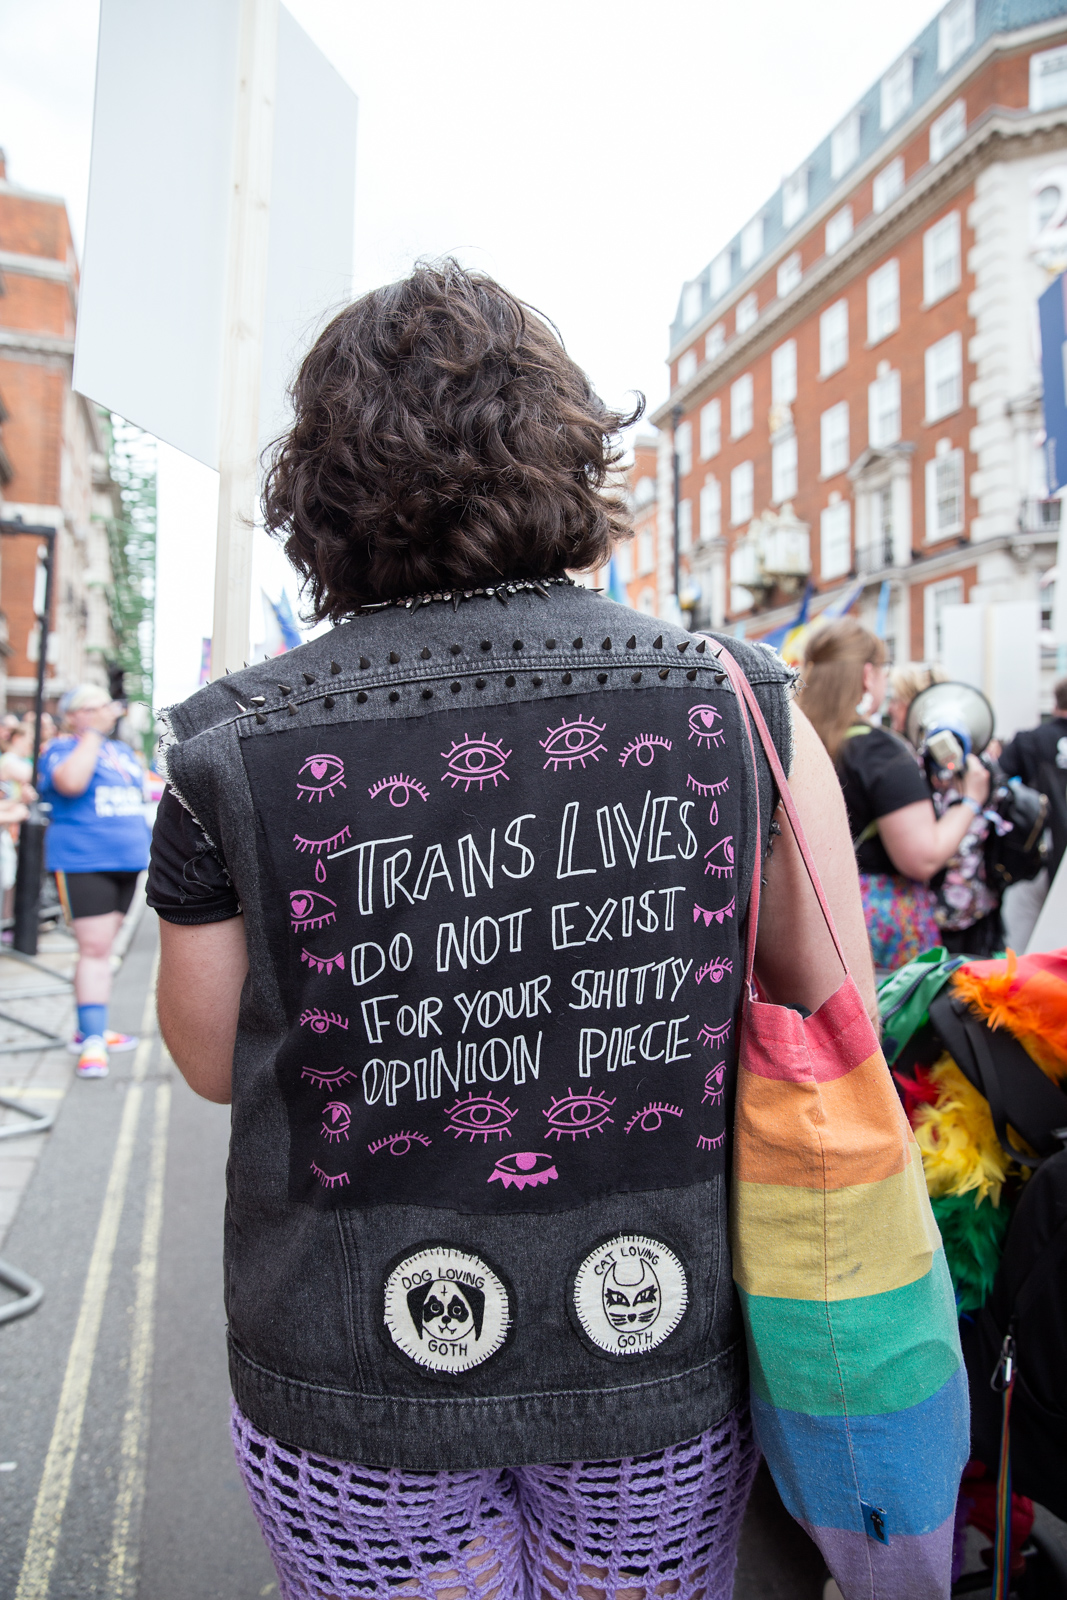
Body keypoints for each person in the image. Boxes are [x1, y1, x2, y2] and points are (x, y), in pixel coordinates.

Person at [147, 264, 925, 1600]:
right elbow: (830, 997)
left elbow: (214, 1057)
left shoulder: (229, 743)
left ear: (321, 492)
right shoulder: (738, 700)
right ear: (563, 455)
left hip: (350, 1357)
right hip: (653, 1335)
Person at [798, 620, 990, 972]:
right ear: (867, 676)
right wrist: (970, 800)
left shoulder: (794, 740)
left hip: (806, 910)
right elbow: (921, 856)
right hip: (875, 919)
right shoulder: (878, 751)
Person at [38, 685, 150, 1077]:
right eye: (95, 706)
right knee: (95, 950)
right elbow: (71, 783)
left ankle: (90, 1027)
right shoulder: (62, 748)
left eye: (107, 704)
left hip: (128, 861)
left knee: (105, 949)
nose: (107, 710)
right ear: (75, 714)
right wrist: (92, 734)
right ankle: (93, 1041)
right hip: (86, 861)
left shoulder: (120, 751)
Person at [996, 677, 1067, 950]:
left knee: (1020, 947)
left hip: (1035, 855)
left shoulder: (1030, 740)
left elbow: (998, 782)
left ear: (1055, 702)